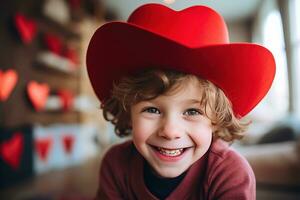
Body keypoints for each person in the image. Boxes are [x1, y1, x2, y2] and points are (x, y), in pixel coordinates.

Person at [86, 3, 275, 200]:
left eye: (192, 112)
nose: (170, 131)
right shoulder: (115, 165)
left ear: (216, 120)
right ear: (128, 113)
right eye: (152, 109)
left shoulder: (229, 173)